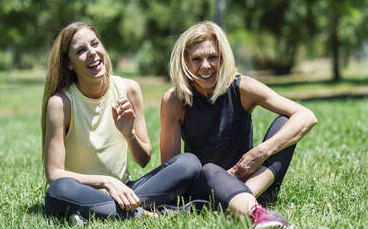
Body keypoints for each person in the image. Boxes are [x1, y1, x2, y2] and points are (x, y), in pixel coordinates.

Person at [160, 21, 317, 228]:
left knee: (286, 123)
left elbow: (306, 116)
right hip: (205, 187)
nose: (205, 66)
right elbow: (173, 170)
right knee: (208, 170)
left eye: (212, 57)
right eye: (196, 59)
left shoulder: (242, 87)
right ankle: (246, 206)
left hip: (252, 181)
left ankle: (243, 199)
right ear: (185, 63)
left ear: (223, 58)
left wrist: (261, 152)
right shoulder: (175, 100)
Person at [41, 22, 202, 223]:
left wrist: (129, 134)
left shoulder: (129, 89)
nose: (92, 53)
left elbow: (143, 160)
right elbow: (54, 173)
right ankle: (145, 214)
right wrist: (106, 182)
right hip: (82, 191)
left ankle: (93, 213)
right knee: (58, 190)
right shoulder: (61, 103)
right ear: (69, 63)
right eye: (81, 50)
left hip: (127, 190)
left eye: (95, 44)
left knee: (189, 163)